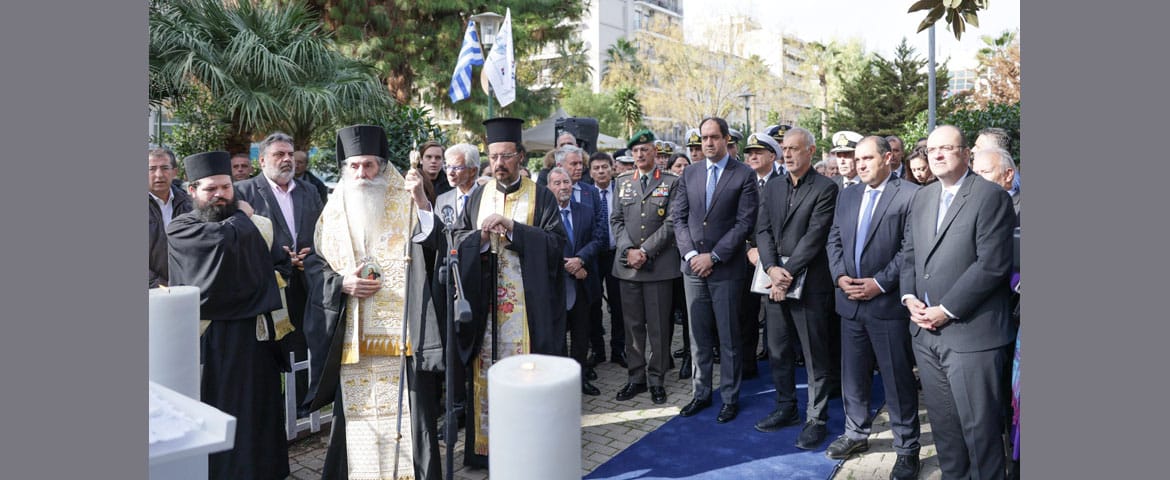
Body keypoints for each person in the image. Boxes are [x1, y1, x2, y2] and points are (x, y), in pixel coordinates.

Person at [309, 124, 447, 480]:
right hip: (353, 338)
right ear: (345, 168)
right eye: (354, 166)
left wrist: (421, 201)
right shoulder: (333, 210)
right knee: (355, 426)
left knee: (410, 418)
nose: (362, 174)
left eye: (369, 165)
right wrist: (343, 283)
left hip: (400, 338)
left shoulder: (405, 200)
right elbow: (316, 268)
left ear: (382, 166)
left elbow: (435, 251)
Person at [901, 125, 1016, 480]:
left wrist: (946, 309)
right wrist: (909, 298)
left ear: (966, 153)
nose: (936, 155)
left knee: (980, 434)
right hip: (925, 334)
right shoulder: (922, 197)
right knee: (946, 432)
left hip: (971, 335)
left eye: (946, 148)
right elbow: (909, 254)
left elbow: (992, 264)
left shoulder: (989, 196)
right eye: (931, 149)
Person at [452, 117, 568, 468]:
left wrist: (516, 229)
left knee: (525, 372)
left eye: (505, 156)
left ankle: (527, 448)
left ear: (520, 156)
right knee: (485, 372)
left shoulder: (541, 196)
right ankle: (485, 451)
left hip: (527, 310)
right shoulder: (477, 197)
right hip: (485, 307)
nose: (498, 164)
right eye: (493, 157)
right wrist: (480, 240)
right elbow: (458, 241)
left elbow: (557, 244)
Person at [166, 151, 288, 480]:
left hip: (255, 338)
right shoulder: (182, 229)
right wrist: (243, 219)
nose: (221, 195)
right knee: (217, 412)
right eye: (211, 189)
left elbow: (278, 263)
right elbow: (214, 267)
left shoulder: (255, 225)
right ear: (192, 191)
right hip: (212, 340)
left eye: (226, 187)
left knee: (258, 411)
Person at [824, 136, 922, 479]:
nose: (860, 163)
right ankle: (856, 433)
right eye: (857, 158)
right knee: (853, 376)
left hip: (886, 305)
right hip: (849, 302)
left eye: (867, 158)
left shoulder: (909, 195)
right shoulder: (847, 195)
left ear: (888, 159)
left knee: (896, 380)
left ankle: (907, 448)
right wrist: (840, 277)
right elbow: (834, 238)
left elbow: (909, 250)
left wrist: (879, 283)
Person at [753, 126, 840, 449]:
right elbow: (762, 230)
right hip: (775, 284)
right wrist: (772, 269)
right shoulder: (773, 187)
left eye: (794, 148)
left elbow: (814, 238)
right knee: (778, 351)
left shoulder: (825, 188)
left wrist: (784, 273)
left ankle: (816, 419)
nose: (787, 154)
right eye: (784, 148)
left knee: (816, 356)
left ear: (811, 152)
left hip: (810, 287)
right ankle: (785, 407)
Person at [671, 116, 759, 424]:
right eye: (703, 138)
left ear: (725, 141)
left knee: (728, 336)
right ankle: (701, 393)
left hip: (726, 269)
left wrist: (715, 256)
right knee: (698, 336)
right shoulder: (690, 173)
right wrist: (694, 254)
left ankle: (730, 397)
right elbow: (678, 218)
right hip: (692, 268)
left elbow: (744, 224)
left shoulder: (744, 174)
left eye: (713, 137)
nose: (708, 143)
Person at [235, 132, 325, 411]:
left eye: (289, 154)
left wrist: (309, 254)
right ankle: (269, 407)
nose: (287, 160)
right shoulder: (244, 192)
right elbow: (238, 239)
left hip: (306, 280)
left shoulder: (309, 190)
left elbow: (322, 231)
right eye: (279, 155)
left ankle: (301, 405)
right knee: (267, 350)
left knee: (301, 344)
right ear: (262, 161)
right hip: (267, 284)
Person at [611, 130, 681, 405]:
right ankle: (636, 377)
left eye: (645, 150)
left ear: (655, 152)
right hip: (628, 266)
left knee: (659, 327)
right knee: (633, 326)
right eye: (636, 151)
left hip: (658, 266)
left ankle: (657, 379)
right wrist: (629, 249)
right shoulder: (623, 182)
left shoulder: (670, 182)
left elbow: (672, 223)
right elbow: (616, 220)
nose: (640, 155)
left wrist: (645, 251)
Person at [547, 166, 603, 396]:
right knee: (558, 338)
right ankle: (561, 384)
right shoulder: (543, 214)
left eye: (566, 182)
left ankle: (579, 379)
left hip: (583, 284)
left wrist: (580, 260)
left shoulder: (586, 210)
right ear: (549, 187)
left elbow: (599, 239)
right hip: (557, 287)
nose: (563, 187)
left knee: (581, 337)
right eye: (558, 183)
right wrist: (568, 266)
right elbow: (542, 247)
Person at [740, 132, 784, 380]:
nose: (752, 156)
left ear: (772, 155)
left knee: (777, 317)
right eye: (749, 153)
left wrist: (769, 255)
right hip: (749, 258)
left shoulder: (785, 180)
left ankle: (778, 363)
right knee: (746, 315)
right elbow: (736, 221)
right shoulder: (744, 182)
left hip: (775, 259)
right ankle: (748, 365)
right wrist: (748, 249)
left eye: (758, 152)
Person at [589, 150, 625, 384]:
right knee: (592, 303)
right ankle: (598, 350)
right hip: (593, 255)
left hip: (616, 253)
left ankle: (618, 349)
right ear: (590, 171)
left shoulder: (622, 190)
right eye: (596, 168)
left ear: (612, 167)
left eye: (605, 167)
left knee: (619, 303)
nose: (601, 171)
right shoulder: (584, 192)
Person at [149, 147, 192, 288]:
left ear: (175, 172)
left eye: (164, 168)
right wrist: (159, 285)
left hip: (186, 286)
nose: (159, 175)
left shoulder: (190, 204)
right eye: (152, 169)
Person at [972, 147, 1020, 219]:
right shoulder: (970, 204)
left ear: (1008, 175)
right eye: (975, 173)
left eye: (985, 172)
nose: (978, 178)